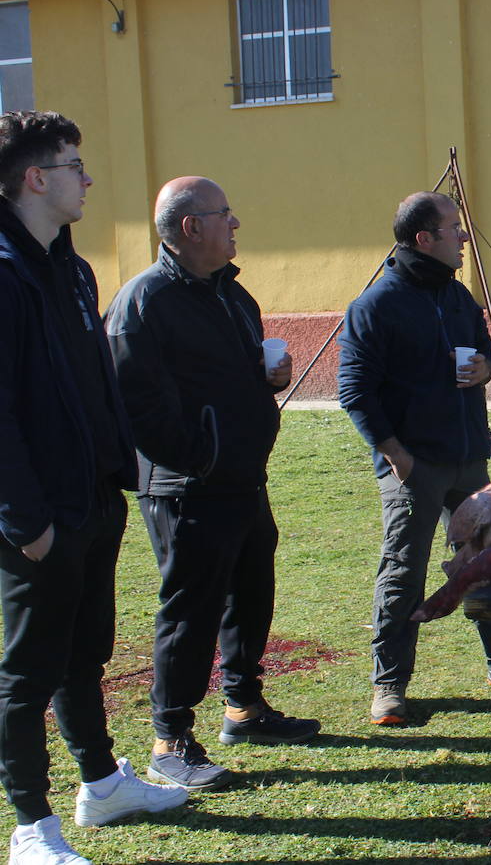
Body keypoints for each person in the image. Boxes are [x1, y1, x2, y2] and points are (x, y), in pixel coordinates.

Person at [0, 111, 186, 864]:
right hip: (36, 517)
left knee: (84, 655)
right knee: (29, 667)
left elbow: (95, 381)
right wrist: (24, 521)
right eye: (75, 166)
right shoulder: (4, 275)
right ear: (35, 179)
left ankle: (102, 785)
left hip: (93, 499)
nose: (88, 179)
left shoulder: (72, 270)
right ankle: (31, 829)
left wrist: (120, 470)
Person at [104, 176, 320, 793]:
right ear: (190, 227)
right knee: (189, 611)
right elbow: (135, 404)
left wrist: (269, 379)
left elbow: (237, 377)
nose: (236, 224)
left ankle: (243, 708)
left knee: (250, 595)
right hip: (185, 486)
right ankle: (170, 739)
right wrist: (198, 458)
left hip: (243, 477)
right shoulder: (144, 301)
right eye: (224, 214)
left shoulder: (232, 294)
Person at [339, 192, 491, 722]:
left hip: (468, 458)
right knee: (405, 570)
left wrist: (485, 368)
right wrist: (394, 452)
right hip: (412, 465)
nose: (463, 237)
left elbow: (483, 350)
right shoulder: (376, 305)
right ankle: (389, 685)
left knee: (486, 556)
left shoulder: (458, 299)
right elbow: (353, 389)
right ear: (423, 239)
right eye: (453, 228)